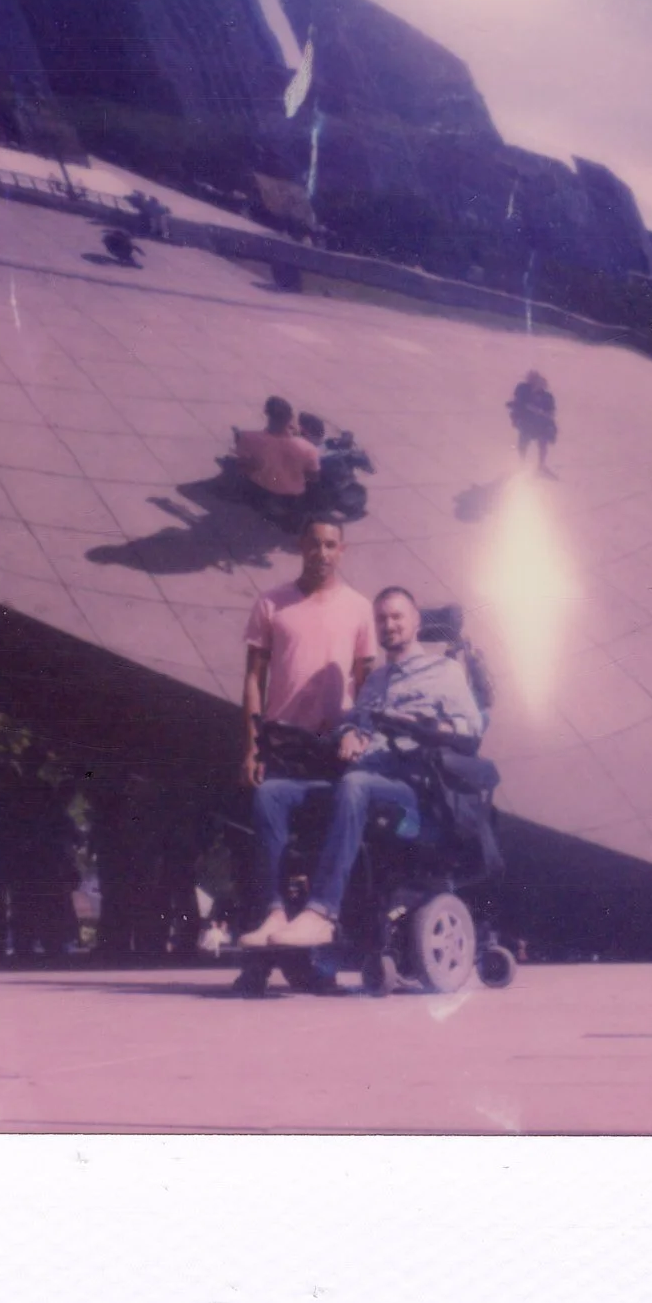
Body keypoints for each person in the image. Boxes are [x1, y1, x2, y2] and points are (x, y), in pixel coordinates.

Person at [249, 586, 485, 950]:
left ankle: (322, 913)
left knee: (356, 783)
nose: (389, 625)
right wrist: (349, 734)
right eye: (382, 619)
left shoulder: (445, 671)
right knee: (272, 794)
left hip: (414, 790)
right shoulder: (375, 681)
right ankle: (276, 910)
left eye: (397, 617)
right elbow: (357, 723)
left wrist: (425, 725)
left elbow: (471, 730)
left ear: (416, 621)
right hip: (360, 782)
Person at [237, 516, 378, 947]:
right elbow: (252, 679)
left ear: (343, 550)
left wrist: (361, 735)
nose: (322, 553)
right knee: (266, 816)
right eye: (314, 544)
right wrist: (251, 746)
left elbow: (369, 685)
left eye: (331, 545)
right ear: (301, 546)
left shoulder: (359, 607)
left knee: (325, 836)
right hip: (283, 743)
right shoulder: (271, 604)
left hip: (335, 746)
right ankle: (274, 914)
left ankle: (324, 929)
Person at [232, 396, 322, 526]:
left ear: (266, 413)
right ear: (291, 418)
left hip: (261, 488)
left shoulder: (248, 437)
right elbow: (314, 478)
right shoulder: (308, 449)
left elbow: (241, 465)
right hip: (291, 495)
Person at [507, 371, 557, 474]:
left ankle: (541, 465)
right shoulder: (523, 391)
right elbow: (517, 403)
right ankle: (522, 463)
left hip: (541, 425)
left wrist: (543, 414)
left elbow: (551, 412)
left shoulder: (547, 397)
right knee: (523, 444)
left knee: (542, 444)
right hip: (527, 424)